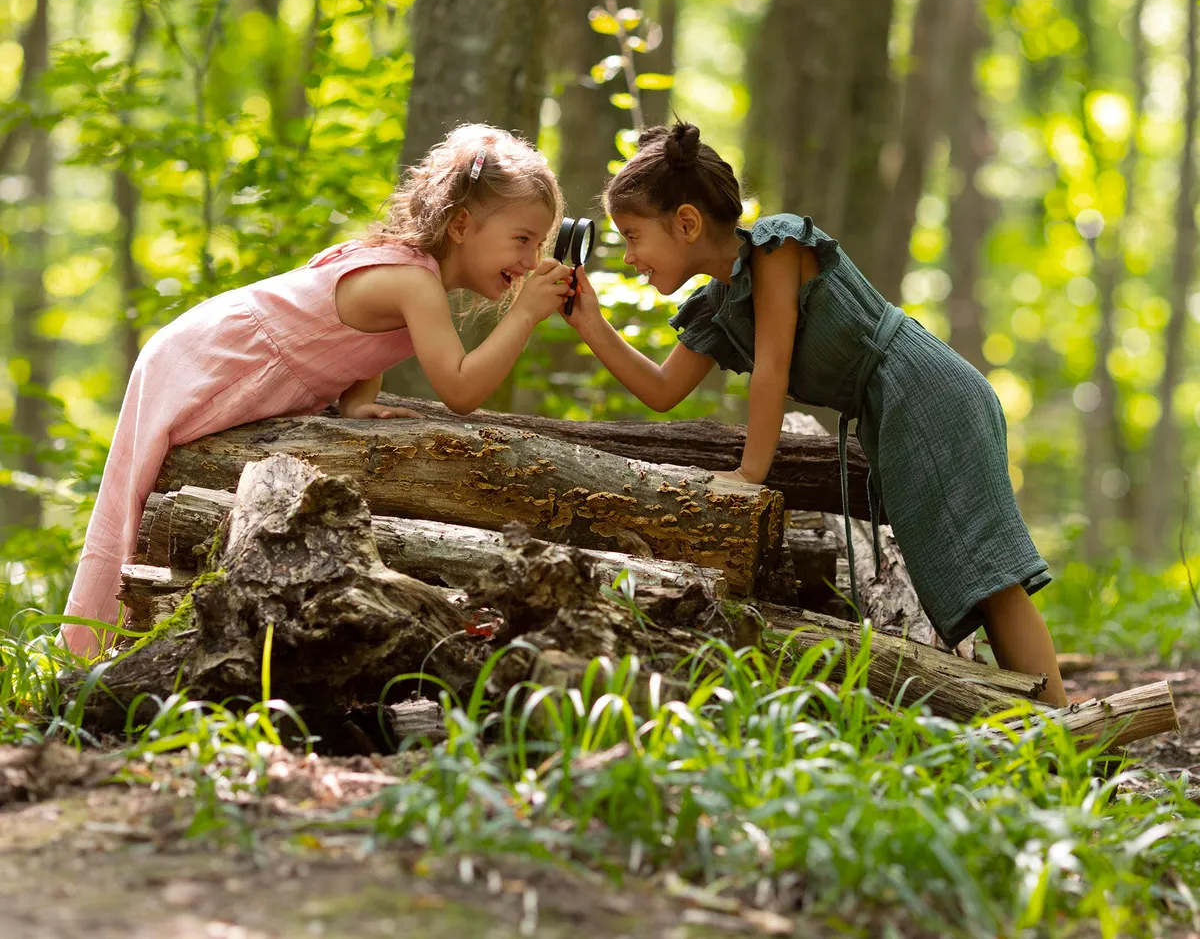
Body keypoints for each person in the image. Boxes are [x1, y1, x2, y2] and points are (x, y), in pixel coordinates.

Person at [564, 121, 1066, 705]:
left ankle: (1063, 728)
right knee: (973, 580)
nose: (628, 257)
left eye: (633, 236)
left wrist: (751, 475)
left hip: (927, 390)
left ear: (687, 223)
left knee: (989, 576)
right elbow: (661, 388)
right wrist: (590, 323)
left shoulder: (778, 248)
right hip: (896, 407)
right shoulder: (721, 303)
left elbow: (772, 367)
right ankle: (1044, 726)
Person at [63, 123, 571, 658]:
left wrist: (355, 400)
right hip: (216, 356)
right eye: (522, 239)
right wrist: (527, 314)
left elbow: (360, 335)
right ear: (462, 225)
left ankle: (93, 646)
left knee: (132, 498)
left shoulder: (412, 274)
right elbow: (461, 389)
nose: (533, 259)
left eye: (539, 244)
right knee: (129, 502)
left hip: (209, 348)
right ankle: (87, 650)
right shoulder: (414, 282)